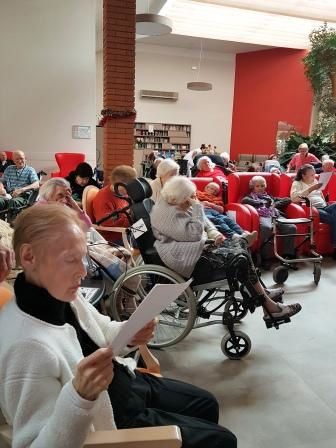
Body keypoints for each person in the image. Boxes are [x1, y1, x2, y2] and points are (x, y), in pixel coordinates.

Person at [0, 204, 237, 448]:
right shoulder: (26, 346)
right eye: (71, 260)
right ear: (29, 257)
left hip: (126, 381)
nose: (82, 272)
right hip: (112, 418)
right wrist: (80, 396)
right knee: (223, 441)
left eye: (82, 258)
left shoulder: (62, 293)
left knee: (207, 403)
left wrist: (129, 332)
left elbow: (101, 330)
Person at [151, 176, 301, 320]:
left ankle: (263, 296)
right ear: (180, 196)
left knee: (240, 248)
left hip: (198, 249)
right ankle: (269, 305)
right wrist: (197, 207)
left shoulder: (177, 203)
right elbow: (194, 235)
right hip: (184, 258)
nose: (194, 199)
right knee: (239, 259)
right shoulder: (166, 214)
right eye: (191, 196)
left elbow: (204, 221)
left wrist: (214, 233)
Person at [242, 176, 297, 270]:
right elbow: (244, 201)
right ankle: (265, 257)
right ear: (252, 187)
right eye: (257, 186)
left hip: (275, 215)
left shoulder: (269, 197)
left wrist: (274, 204)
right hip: (263, 217)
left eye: (262, 186)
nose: (260, 188)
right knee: (266, 228)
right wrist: (260, 203)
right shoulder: (249, 197)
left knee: (291, 227)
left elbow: (287, 199)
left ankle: (288, 256)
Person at [290, 164, 336, 260]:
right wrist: (311, 189)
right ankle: (335, 248)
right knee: (333, 219)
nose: (314, 176)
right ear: (303, 175)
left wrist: (326, 203)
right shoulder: (297, 183)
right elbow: (294, 198)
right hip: (313, 209)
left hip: (324, 206)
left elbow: (320, 195)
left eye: (314, 174)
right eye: (311, 175)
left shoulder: (315, 180)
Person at [92, 165, 137, 242]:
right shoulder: (103, 198)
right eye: (128, 187)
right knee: (148, 241)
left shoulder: (123, 193)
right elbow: (105, 223)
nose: (131, 189)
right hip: (116, 236)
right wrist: (130, 215)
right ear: (119, 184)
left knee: (152, 232)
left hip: (129, 230)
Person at [0, 150, 39, 214]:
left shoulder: (30, 170)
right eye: (17, 159)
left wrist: (21, 190)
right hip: (8, 194)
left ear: (25, 158)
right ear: (13, 160)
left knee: (13, 202)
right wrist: (1, 188)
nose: (19, 161)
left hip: (23, 196)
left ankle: (11, 223)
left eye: (21, 158)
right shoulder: (9, 169)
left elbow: (36, 184)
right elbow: (1, 181)